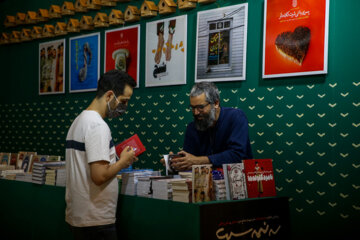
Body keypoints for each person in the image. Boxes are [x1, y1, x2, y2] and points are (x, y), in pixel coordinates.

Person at [65, 70, 137, 240]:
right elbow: (99, 175)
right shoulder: (97, 126)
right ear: (110, 95)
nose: (124, 107)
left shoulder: (79, 120)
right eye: (124, 101)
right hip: (95, 220)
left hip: (81, 216)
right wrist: (123, 162)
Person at [162, 81, 252, 171]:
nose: (196, 112)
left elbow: (238, 155)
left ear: (216, 103)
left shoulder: (236, 117)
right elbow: (189, 162)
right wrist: (177, 163)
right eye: (193, 108)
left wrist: (199, 161)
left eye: (200, 107)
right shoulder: (192, 127)